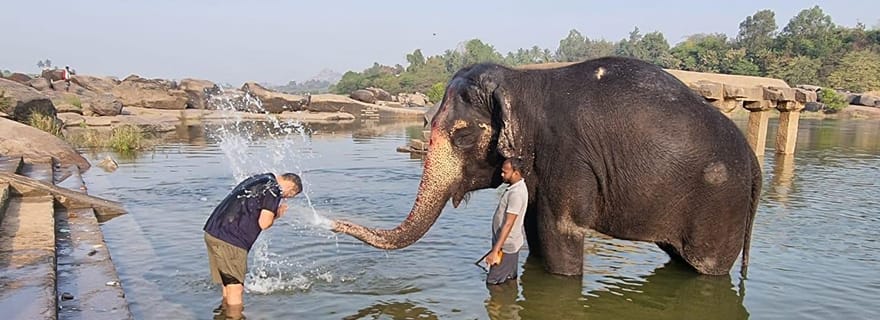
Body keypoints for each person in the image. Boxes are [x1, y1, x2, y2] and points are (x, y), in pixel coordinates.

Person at [203, 172, 302, 317]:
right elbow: (264, 223)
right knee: (236, 288)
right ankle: (234, 316)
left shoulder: (261, 178)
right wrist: (277, 214)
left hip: (213, 232)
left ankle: (224, 314)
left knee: (227, 284)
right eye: (289, 196)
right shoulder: (274, 190)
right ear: (291, 189)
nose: (285, 198)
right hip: (231, 240)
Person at [484, 158, 529, 285]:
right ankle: (510, 297)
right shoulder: (515, 188)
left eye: (505, 172)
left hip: (506, 247)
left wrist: (495, 251)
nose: (502, 174)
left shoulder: (516, 194)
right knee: (509, 279)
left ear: (516, 173)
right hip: (508, 244)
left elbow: (509, 223)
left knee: (493, 282)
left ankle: (499, 298)